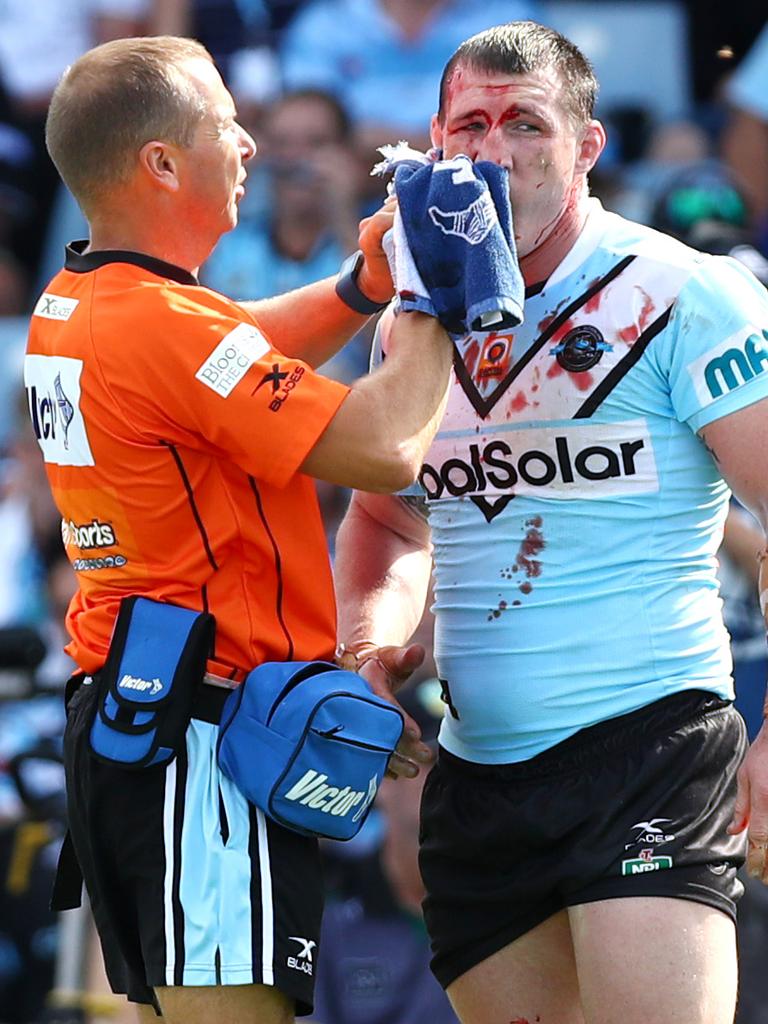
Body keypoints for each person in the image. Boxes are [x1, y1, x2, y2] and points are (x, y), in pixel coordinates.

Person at [333, 20, 768, 1024]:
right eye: (468, 125)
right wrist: (372, 647)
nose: (492, 151)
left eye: (524, 123)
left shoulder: (684, 294)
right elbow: (388, 528)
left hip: (653, 748)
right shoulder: (410, 321)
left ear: (586, 145)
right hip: (480, 772)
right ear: (437, 143)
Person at [24, 34, 454, 1024]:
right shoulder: (164, 327)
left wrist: (360, 289)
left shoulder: (78, 300)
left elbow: (232, 341)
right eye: (227, 122)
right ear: (162, 163)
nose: (249, 144)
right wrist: (438, 289)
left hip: (136, 726)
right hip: (202, 746)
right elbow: (387, 447)